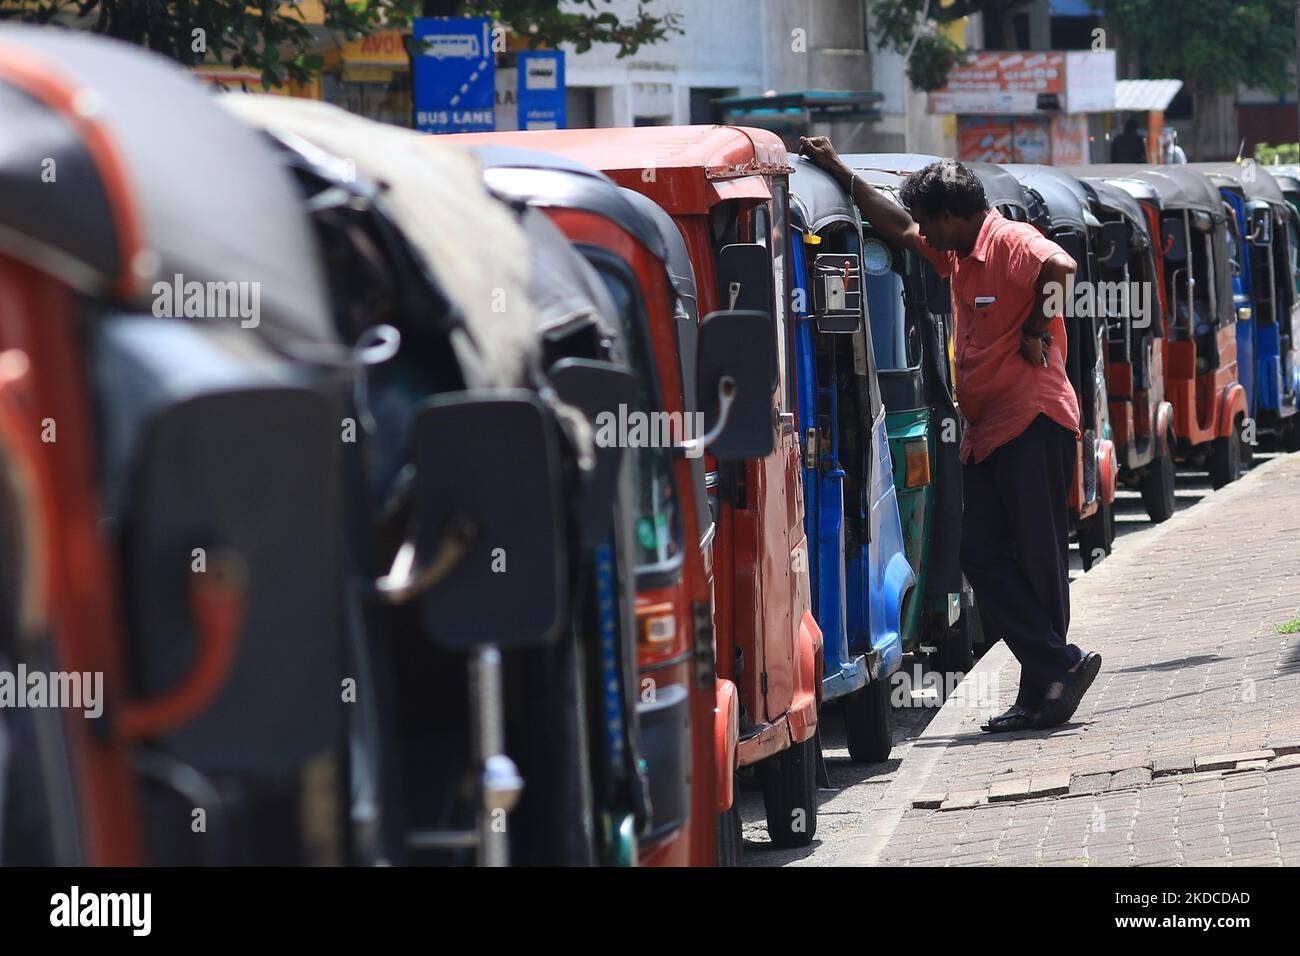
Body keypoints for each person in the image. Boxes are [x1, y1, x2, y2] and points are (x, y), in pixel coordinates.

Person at [799, 138, 1103, 732]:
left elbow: (1061, 268)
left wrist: (1038, 328)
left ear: (955, 215)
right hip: (988, 431)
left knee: (1038, 561)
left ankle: (1043, 691)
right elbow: (898, 224)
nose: (927, 238)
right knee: (980, 553)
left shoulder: (1007, 242)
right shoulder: (957, 254)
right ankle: (1056, 669)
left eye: (932, 225)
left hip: (1032, 422)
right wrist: (838, 169)